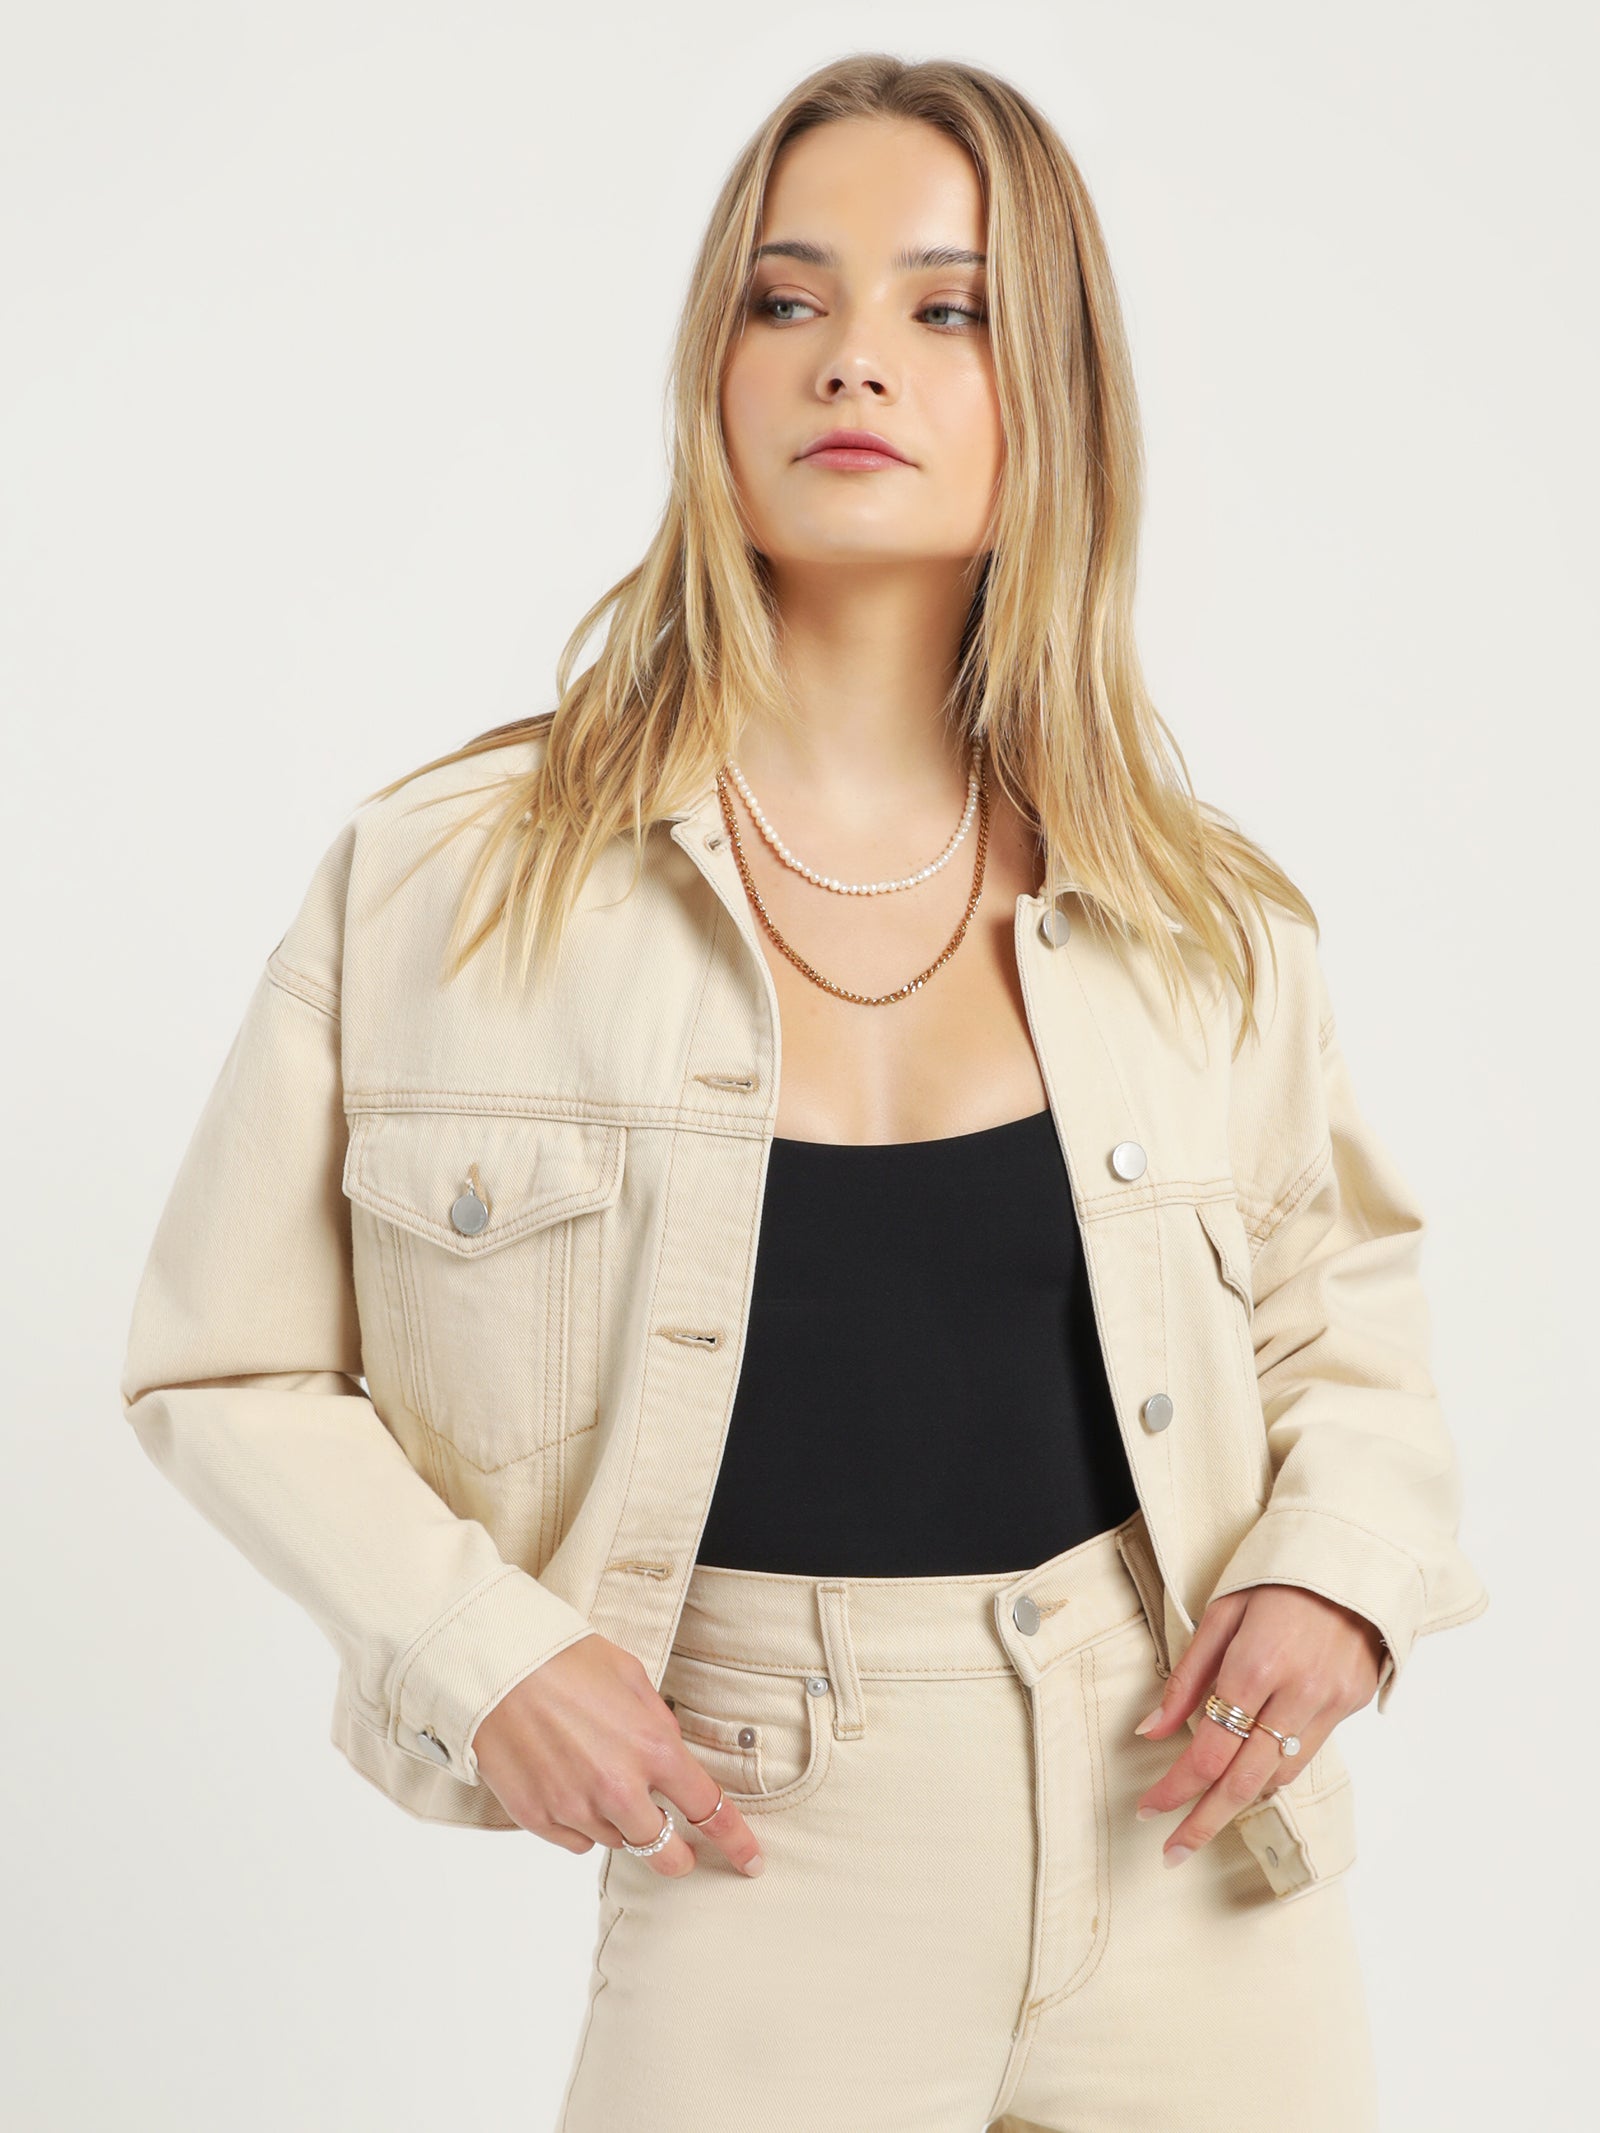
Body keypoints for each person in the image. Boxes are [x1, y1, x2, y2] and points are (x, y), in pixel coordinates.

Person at [119, 52, 1489, 2133]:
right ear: (715, 367)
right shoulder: (443, 885)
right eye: (788, 298)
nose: (854, 356)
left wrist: (1336, 1574)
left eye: (947, 307)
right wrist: (481, 1647)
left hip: (1195, 1841)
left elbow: (1344, 1318)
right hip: (761, 1842)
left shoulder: (1193, 910)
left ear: (1050, 393)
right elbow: (222, 1364)